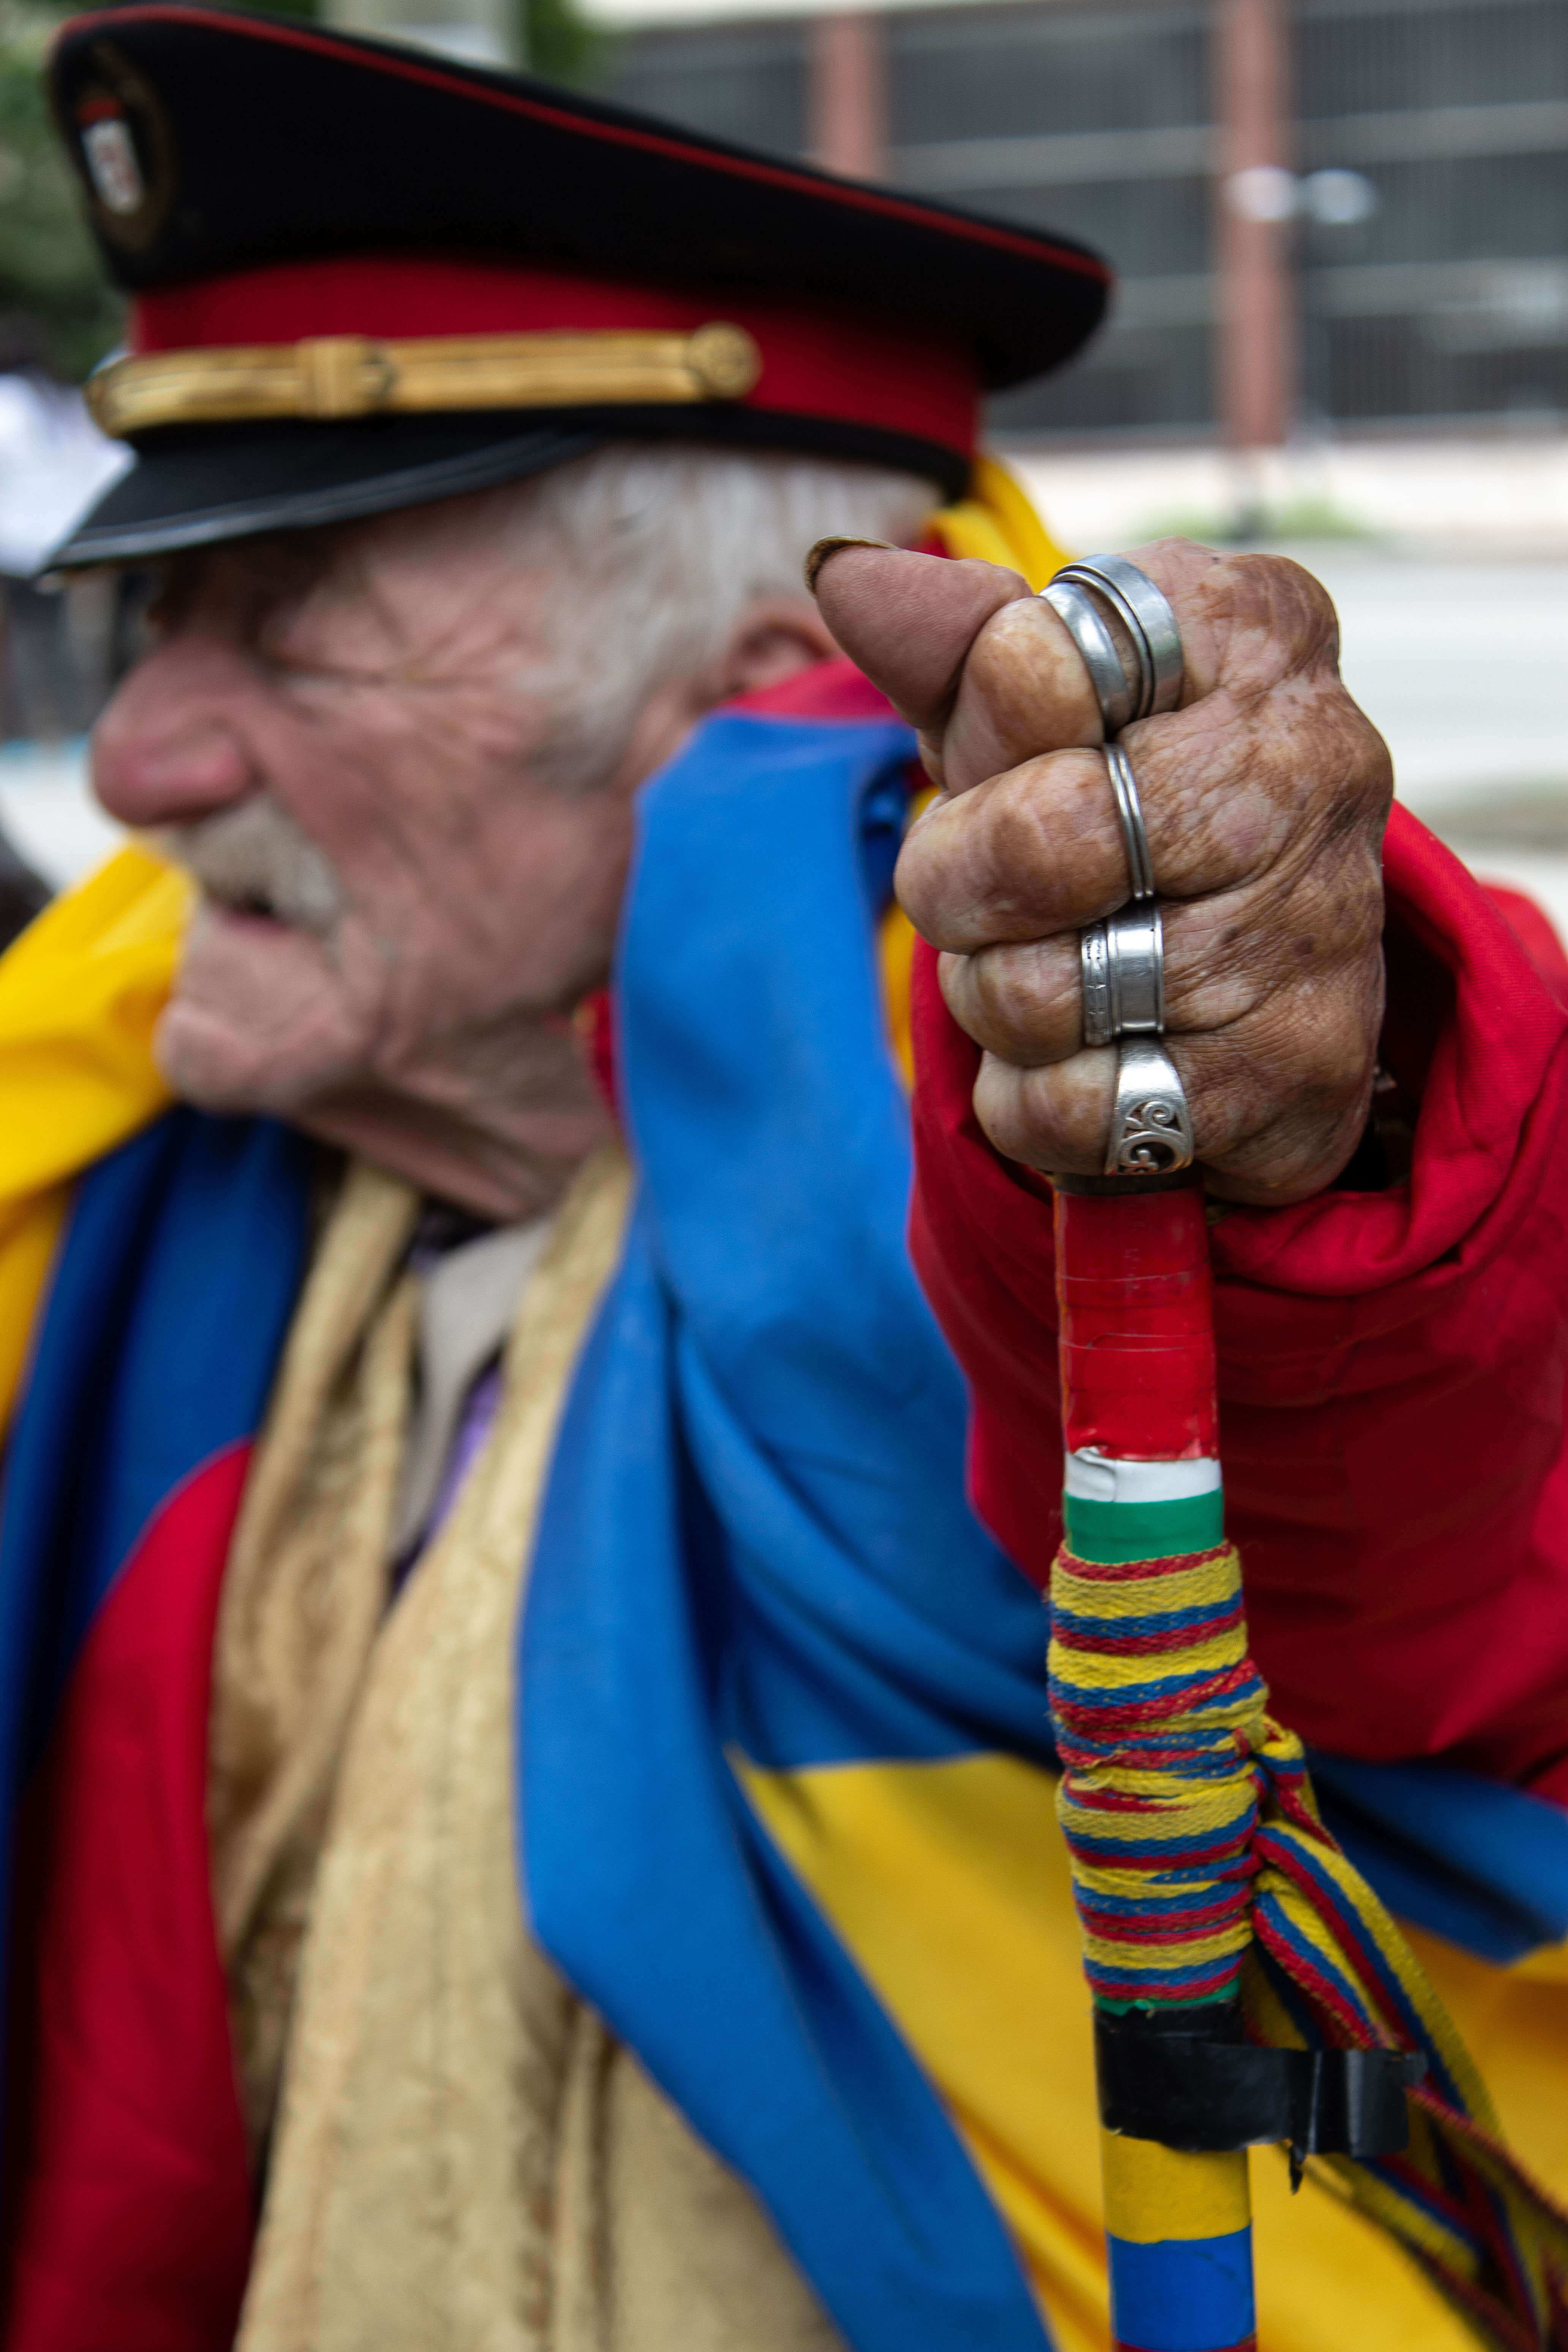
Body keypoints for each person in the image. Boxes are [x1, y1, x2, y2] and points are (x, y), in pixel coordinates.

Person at [1, 9, 1565, 2352]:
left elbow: (1403, 1411)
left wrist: (1291, 1084)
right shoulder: (147, 1142)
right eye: (153, 619)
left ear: (742, 692)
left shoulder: (953, 1171)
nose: (131, 758)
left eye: (292, 622)